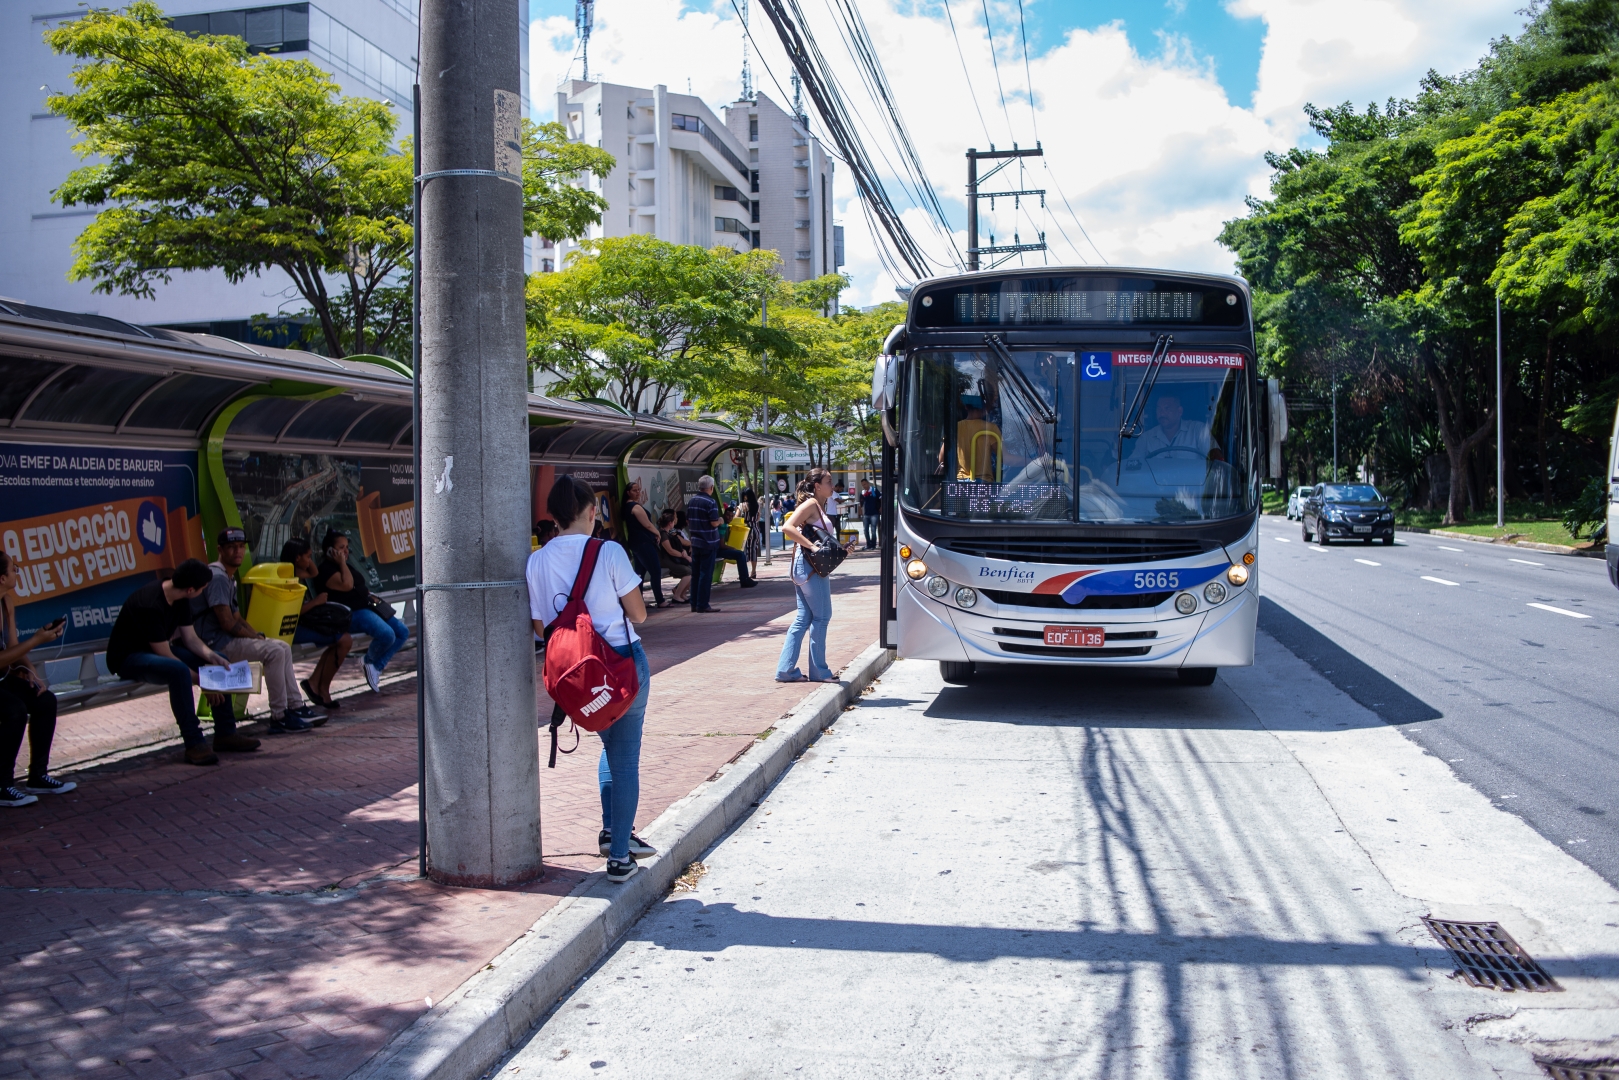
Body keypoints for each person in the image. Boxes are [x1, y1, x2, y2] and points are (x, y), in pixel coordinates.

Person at [527, 474, 654, 884]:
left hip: (576, 677)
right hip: (621, 666)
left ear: (554, 515)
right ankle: (619, 856)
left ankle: (612, 831)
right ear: (591, 510)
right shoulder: (609, 551)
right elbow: (639, 614)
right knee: (625, 757)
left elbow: (539, 628)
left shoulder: (536, 561)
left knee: (611, 746)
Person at [107, 558, 261, 766]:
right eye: (202, 589)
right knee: (178, 671)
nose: (203, 591)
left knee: (220, 660)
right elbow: (164, 653)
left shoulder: (180, 598)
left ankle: (226, 733)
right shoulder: (150, 603)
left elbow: (191, 639)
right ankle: (194, 742)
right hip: (130, 657)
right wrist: (204, 682)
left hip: (157, 650)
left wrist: (212, 656)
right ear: (191, 590)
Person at [196, 528, 324, 734]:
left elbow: (237, 618)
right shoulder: (217, 576)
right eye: (231, 547)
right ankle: (280, 715)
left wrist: (256, 636)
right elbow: (227, 623)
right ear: (220, 550)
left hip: (226, 640)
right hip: (215, 645)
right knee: (274, 651)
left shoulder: (228, 576)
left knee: (282, 647)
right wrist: (255, 638)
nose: (238, 551)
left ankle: (295, 706)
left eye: (241, 546)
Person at [0, 552, 71, 807]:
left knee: (45, 700)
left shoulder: (6, 602)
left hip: (2, 679)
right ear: (2, 577)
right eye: (14, 569)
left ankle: (38, 776)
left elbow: (13, 647)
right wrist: (37, 640)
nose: (17, 573)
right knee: (14, 710)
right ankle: (3, 784)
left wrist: (30, 670)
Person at [775, 468, 854, 684]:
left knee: (804, 618)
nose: (832, 485)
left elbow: (820, 538)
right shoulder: (811, 504)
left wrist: (841, 550)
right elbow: (787, 527)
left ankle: (786, 670)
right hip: (811, 568)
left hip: (806, 567)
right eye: (828, 481)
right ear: (817, 486)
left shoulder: (819, 505)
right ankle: (819, 672)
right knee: (822, 616)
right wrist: (812, 547)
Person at [317, 530, 408, 694]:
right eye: (341, 548)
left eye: (347, 547)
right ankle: (370, 662)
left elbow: (358, 584)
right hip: (350, 614)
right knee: (387, 635)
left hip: (368, 606)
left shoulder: (347, 565)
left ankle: (373, 665)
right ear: (330, 550)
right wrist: (342, 563)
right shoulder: (326, 570)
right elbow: (347, 585)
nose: (346, 551)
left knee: (402, 631)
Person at [280, 538, 354, 711]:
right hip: (292, 628)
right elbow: (290, 613)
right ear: (297, 558)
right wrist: (316, 602)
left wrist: (304, 557)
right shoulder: (287, 578)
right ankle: (321, 688)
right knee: (344, 640)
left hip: (303, 622)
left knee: (341, 639)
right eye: (308, 556)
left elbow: (313, 573)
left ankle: (316, 684)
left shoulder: (297, 572)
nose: (310, 560)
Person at [620, 481, 668, 608]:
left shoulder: (628, 506)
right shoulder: (634, 507)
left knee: (639, 572)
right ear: (628, 492)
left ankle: (640, 601)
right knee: (655, 570)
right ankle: (660, 600)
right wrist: (657, 533)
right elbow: (647, 524)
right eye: (634, 490)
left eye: (639, 490)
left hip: (636, 542)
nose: (638, 493)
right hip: (643, 542)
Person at [685, 475, 725, 613]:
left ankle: (694, 603)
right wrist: (720, 520)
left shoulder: (692, 501)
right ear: (711, 487)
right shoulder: (710, 502)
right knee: (706, 574)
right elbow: (713, 522)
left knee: (695, 574)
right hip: (708, 542)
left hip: (695, 541)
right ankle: (702, 604)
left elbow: (688, 520)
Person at [1132, 391, 1211, 459]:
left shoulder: (1198, 431)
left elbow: (1214, 461)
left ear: (1179, 411)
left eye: (1167, 408)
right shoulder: (1146, 438)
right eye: (1159, 409)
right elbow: (1133, 465)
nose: (1162, 413)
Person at [657, 509, 693, 604]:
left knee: (691, 571)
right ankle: (677, 596)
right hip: (666, 560)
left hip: (673, 559)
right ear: (670, 523)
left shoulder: (669, 533)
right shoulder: (663, 534)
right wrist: (684, 556)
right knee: (688, 572)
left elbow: (677, 545)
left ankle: (682, 594)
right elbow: (670, 550)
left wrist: (683, 551)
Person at [861, 481, 882, 550]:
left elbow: (880, 498)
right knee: (865, 530)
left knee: (873, 529)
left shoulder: (874, 490)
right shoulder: (863, 492)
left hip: (874, 513)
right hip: (866, 514)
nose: (864, 486)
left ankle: (873, 545)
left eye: (865, 484)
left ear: (868, 483)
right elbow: (861, 503)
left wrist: (881, 507)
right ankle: (868, 544)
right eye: (862, 485)